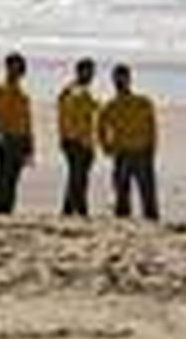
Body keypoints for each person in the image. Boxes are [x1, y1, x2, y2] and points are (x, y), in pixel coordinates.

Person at [97, 63, 160, 221]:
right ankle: (125, 221)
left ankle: (150, 220)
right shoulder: (110, 106)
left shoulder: (143, 103)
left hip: (141, 151)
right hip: (123, 152)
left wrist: (151, 148)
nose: (120, 82)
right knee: (122, 193)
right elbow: (100, 128)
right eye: (118, 79)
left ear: (129, 80)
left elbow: (152, 127)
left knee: (146, 193)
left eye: (122, 78)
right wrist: (106, 146)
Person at [0, 51, 33, 214]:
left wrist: (29, 145)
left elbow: (27, 123)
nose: (17, 72)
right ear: (7, 68)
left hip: (19, 139)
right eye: (13, 67)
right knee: (2, 176)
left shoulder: (23, 96)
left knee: (13, 177)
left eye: (20, 68)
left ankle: (7, 208)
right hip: (4, 137)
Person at [56, 58, 99, 216]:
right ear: (80, 72)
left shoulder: (73, 90)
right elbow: (72, 117)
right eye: (89, 71)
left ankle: (70, 209)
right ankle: (79, 210)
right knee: (78, 179)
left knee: (77, 178)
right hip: (77, 141)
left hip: (76, 140)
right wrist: (80, 141)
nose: (91, 75)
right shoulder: (76, 91)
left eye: (92, 72)